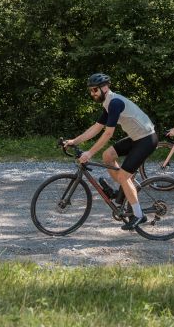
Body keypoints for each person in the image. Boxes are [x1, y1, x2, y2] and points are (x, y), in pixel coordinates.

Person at [65, 73, 158, 230]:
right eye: (90, 90)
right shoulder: (108, 103)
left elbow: (108, 133)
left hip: (147, 140)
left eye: (94, 90)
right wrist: (74, 141)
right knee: (107, 156)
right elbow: (96, 127)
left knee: (123, 176)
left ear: (105, 87)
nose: (92, 93)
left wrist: (89, 153)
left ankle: (139, 215)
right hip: (136, 138)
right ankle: (120, 193)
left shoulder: (114, 103)